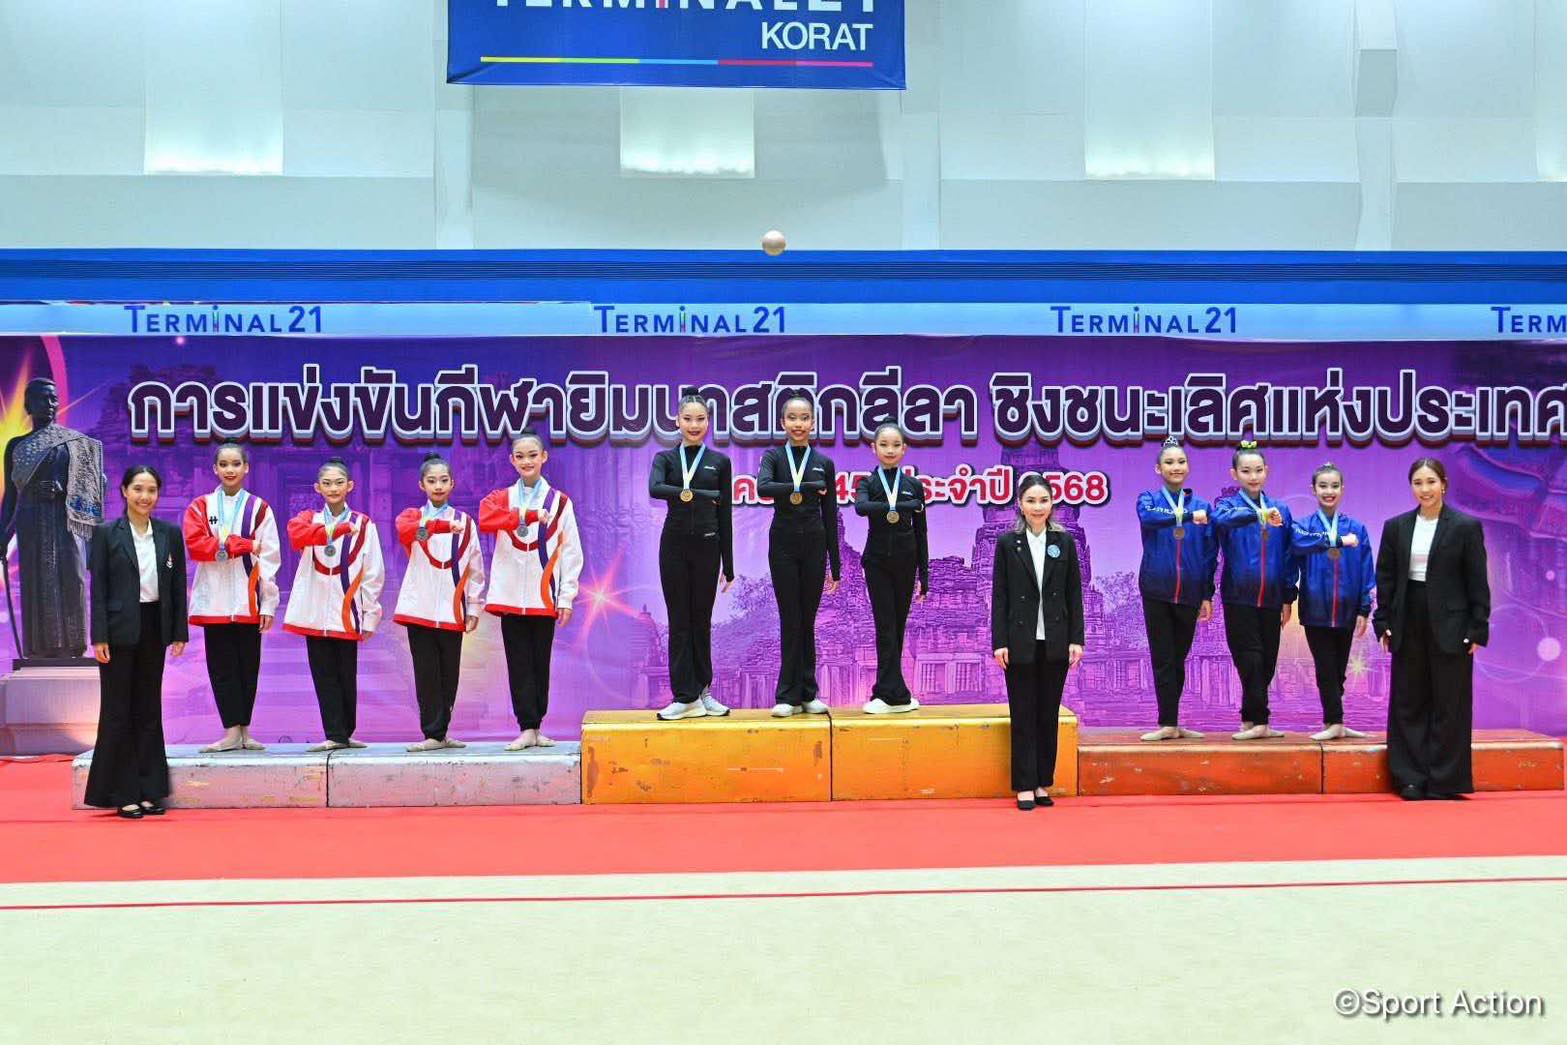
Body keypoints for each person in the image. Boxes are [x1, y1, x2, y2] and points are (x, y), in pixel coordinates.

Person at [1372, 458, 1489, 800]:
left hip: (1453, 624)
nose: (1425, 489)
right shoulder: (1396, 527)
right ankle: (1409, 778)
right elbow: (1386, 578)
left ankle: (1445, 780)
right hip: (1408, 618)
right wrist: (1383, 621)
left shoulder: (1465, 526)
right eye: (1418, 483)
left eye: (1431, 482)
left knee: (1450, 702)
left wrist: (1478, 627)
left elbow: (1477, 580)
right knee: (1408, 700)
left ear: (1444, 484)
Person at [84, 465, 187, 819]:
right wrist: (99, 635)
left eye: (151, 490)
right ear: (124, 491)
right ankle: (122, 791)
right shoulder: (105, 533)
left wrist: (178, 631)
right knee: (118, 711)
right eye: (138, 489)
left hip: (154, 627)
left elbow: (177, 586)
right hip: (117, 631)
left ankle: (149, 789)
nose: (145, 496)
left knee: (148, 709)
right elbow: (98, 589)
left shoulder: (169, 533)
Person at [479, 432, 583, 750]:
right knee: (518, 663)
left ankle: (537, 726)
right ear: (512, 460)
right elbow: (485, 518)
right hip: (510, 595)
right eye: (520, 456)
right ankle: (526, 727)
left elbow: (571, 551)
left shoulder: (560, 502)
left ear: (544, 457)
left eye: (532, 455)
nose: (527, 461)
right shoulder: (502, 498)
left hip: (543, 594)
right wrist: (525, 515)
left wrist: (566, 596)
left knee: (540, 662)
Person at [991, 474, 1084, 810]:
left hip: (1056, 640)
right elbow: (999, 596)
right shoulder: (1007, 544)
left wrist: (1076, 639)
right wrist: (999, 641)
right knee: (1023, 714)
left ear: (1052, 504)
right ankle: (1024, 785)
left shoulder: (1064, 542)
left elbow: (1074, 594)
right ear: (1020, 504)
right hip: (1020, 641)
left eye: (1043, 500)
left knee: (1048, 715)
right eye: (1031, 501)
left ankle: (1043, 782)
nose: (1037, 507)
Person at [183, 442, 280, 753]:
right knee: (221, 669)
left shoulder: (259, 508)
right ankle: (230, 732)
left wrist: (268, 602)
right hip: (214, 600)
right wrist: (243, 545)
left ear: (246, 468)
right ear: (215, 469)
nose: (229, 470)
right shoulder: (200, 506)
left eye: (236, 464)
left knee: (248, 667)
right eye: (223, 464)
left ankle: (245, 731)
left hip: (249, 600)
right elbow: (197, 547)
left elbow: (270, 557)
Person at [282, 457, 384, 752]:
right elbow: (296, 537)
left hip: (347, 609)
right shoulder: (307, 520)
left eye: (339, 482)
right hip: (314, 609)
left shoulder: (363, 524)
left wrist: (370, 614)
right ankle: (334, 732)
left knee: (346, 674)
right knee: (323, 673)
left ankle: (345, 733)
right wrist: (332, 531)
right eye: (327, 483)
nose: (333, 488)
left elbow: (373, 571)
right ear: (317, 488)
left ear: (350, 486)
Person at [0, 377, 105, 660]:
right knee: (36, 583)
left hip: (66, 523)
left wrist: (63, 490)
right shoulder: (17, 446)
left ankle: (73, 646)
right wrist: (3, 536)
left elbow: (93, 485)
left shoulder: (75, 444)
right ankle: (39, 649)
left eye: (53, 398)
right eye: (42, 398)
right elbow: (11, 497)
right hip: (31, 523)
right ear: (28, 404)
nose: (49, 404)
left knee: (72, 579)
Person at [648, 390, 734, 721]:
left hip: (708, 547)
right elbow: (655, 488)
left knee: (701, 620)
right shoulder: (665, 459)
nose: (694, 425)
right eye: (688, 419)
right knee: (679, 620)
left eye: (700, 419)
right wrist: (698, 493)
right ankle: (684, 697)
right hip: (674, 546)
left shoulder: (720, 462)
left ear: (708, 422)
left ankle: (704, 693)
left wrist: (729, 563)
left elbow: (724, 512)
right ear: (677, 422)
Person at [393, 452, 485, 752]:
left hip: (451, 608)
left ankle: (442, 733)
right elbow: (410, 533)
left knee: (449, 674)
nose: (438, 486)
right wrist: (441, 527)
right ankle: (432, 732)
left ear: (452, 483)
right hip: (418, 607)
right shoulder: (412, 518)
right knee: (426, 673)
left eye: (443, 480)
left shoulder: (465, 522)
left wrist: (473, 606)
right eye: (432, 481)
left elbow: (475, 565)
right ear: (422, 485)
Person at [757, 394, 841, 718]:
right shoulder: (773, 457)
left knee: (807, 620)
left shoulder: (824, 463)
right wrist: (806, 485)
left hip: (814, 545)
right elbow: (764, 488)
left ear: (813, 423)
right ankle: (786, 696)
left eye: (804, 418)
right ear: (783, 422)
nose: (798, 423)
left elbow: (829, 513)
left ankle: (808, 693)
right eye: (792, 417)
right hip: (783, 545)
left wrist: (836, 564)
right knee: (789, 618)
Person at [1135, 436, 1218, 741]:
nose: (1176, 467)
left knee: (1179, 658)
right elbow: (1148, 518)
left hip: (1190, 593)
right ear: (1158, 469)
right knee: (1163, 658)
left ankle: (1174, 722)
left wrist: (1207, 594)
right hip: (1156, 590)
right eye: (1169, 462)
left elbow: (1210, 553)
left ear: (1188, 467)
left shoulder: (1203, 507)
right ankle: (1166, 723)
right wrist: (1185, 516)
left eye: (1181, 461)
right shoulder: (1148, 499)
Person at [1212, 440, 1295, 740]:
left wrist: (1288, 596)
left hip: (1271, 597)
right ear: (1234, 474)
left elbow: (1289, 553)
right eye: (1246, 471)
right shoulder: (1226, 507)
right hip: (1238, 596)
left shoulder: (1281, 510)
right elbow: (1219, 521)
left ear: (1266, 471)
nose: (1253, 476)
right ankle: (1260, 721)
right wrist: (1258, 515)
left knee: (1267, 661)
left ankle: (1250, 720)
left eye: (1258, 470)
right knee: (1249, 658)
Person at [1290, 462, 1375, 741]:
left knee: (1339, 669)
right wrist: (1337, 540)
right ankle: (1335, 721)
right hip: (1316, 609)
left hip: (1348, 610)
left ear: (1342, 489)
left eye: (1334, 486)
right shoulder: (1303, 527)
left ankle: (1335, 721)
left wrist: (1364, 608)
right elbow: (1297, 545)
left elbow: (1366, 571)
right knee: (1325, 667)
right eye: (1323, 486)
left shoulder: (1357, 528)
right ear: (1313, 489)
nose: (1329, 491)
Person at [853, 422, 928, 714]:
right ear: (874, 448)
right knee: (885, 626)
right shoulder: (867, 483)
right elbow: (862, 508)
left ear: (904, 449)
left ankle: (893, 693)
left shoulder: (913, 486)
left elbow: (921, 531)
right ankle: (888, 694)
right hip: (877, 563)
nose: (890, 450)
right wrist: (898, 506)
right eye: (884, 445)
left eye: (896, 445)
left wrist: (925, 575)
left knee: (898, 627)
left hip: (906, 562)